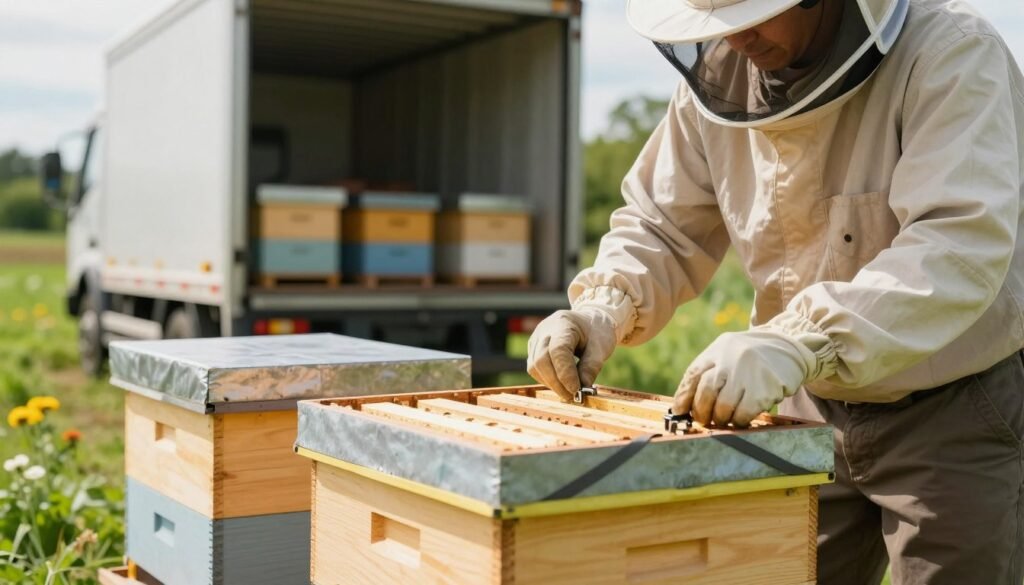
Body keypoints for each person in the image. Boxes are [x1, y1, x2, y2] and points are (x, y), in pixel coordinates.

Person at [527, 0, 1024, 582]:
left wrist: (796, 339)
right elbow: (662, 224)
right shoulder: (714, 86)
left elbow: (954, 246)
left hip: (951, 406)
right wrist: (601, 308)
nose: (736, 39)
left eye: (753, 12)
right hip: (805, 407)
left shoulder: (951, 51)